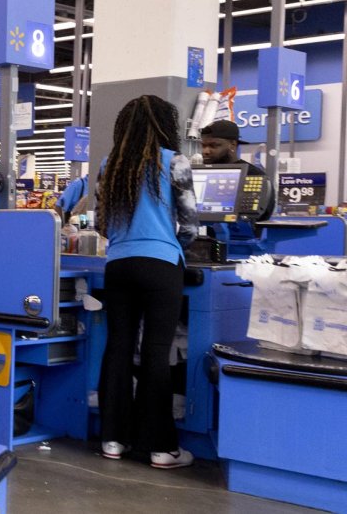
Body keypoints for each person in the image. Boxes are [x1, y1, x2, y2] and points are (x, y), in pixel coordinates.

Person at [95, 95, 199, 469]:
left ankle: (112, 439)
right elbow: (189, 225)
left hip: (118, 265)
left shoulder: (110, 165)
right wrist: (168, 244)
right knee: (156, 352)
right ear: (164, 126)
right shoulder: (177, 163)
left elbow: (101, 225)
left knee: (118, 347)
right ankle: (160, 448)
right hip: (160, 266)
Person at [200, 119, 274, 220]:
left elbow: (260, 217)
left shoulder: (253, 174)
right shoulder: (197, 173)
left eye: (213, 145)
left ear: (232, 145)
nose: (206, 151)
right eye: (203, 146)